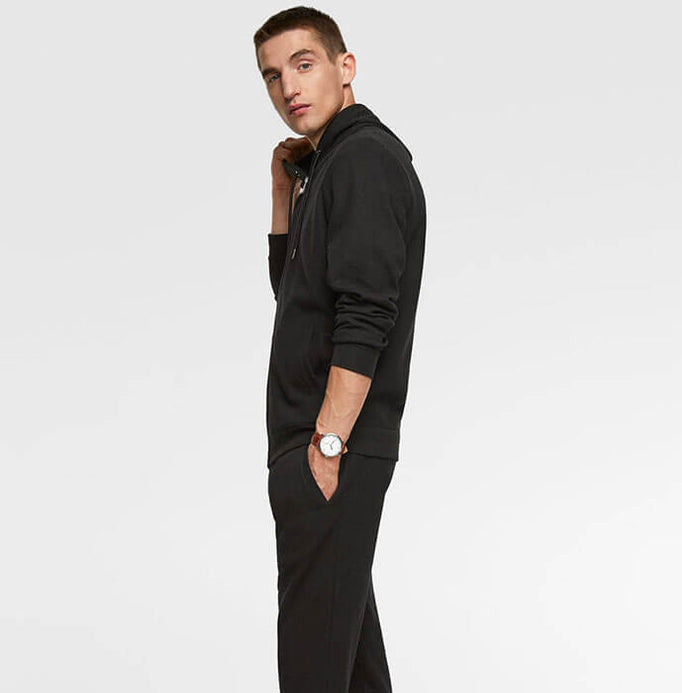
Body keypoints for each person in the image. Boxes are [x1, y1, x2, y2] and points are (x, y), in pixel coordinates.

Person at [254, 6, 426, 691]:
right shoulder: (328, 166)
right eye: (272, 75)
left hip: (331, 449)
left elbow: (364, 315)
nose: (288, 87)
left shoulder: (363, 161)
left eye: (304, 64)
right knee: (350, 670)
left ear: (344, 66)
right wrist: (282, 194)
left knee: (312, 671)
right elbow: (296, 298)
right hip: (318, 449)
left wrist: (326, 447)